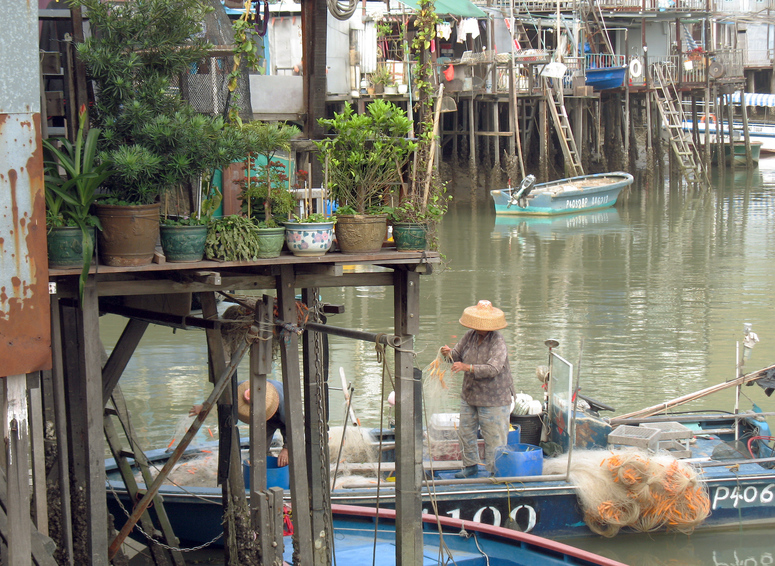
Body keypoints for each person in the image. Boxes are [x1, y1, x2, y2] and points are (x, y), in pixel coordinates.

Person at [441, 300, 513, 478]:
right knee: (466, 432)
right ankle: (470, 465)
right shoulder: (469, 336)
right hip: (470, 394)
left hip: (493, 398)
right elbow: (456, 356)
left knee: (494, 437)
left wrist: (468, 367)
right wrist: (448, 354)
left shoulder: (498, 341)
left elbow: (493, 368)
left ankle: (495, 471)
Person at [189, 379, 288, 466]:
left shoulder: (284, 404)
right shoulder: (240, 389)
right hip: (263, 419)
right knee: (257, 450)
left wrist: (286, 448)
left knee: (290, 450)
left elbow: (294, 428)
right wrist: (205, 406)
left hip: (286, 418)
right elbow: (221, 393)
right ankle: (262, 467)